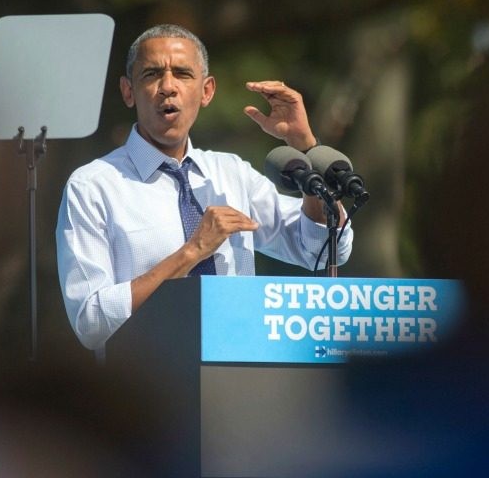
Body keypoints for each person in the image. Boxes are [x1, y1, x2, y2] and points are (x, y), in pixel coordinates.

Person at [56, 24, 353, 351]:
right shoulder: (93, 186)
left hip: (239, 376)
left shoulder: (232, 173)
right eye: (152, 74)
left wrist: (305, 146)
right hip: (147, 392)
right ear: (128, 91)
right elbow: (91, 321)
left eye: (182, 74)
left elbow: (323, 250)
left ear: (207, 91)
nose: (167, 87)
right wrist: (192, 252)